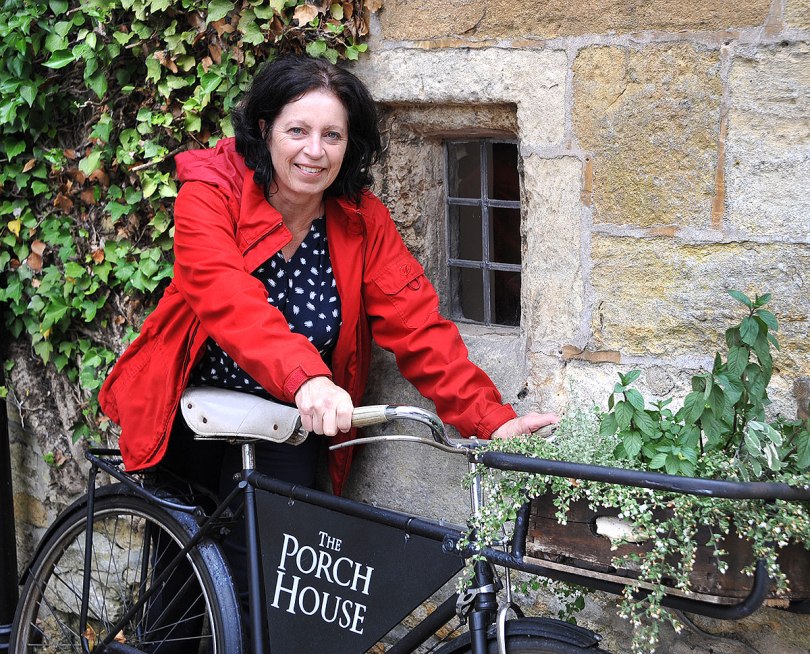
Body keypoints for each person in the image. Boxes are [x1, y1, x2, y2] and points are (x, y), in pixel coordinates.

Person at [98, 55, 556, 629]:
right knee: (179, 603)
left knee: (269, 601)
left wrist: (491, 420)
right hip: (193, 413)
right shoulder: (213, 190)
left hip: (288, 422)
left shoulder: (359, 219)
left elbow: (415, 324)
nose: (314, 151)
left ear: (348, 144)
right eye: (298, 130)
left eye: (332, 135)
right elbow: (225, 296)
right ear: (265, 128)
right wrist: (309, 378)